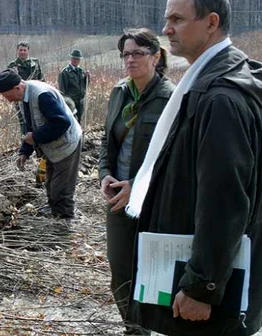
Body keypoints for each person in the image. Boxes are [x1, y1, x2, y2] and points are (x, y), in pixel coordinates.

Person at [124, 0, 262, 335]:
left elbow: (225, 202)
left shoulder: (220, 98)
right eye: (166, 19)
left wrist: (200, 286)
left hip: (209, 303)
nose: (166, 30)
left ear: (211, 22)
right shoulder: (206, 82)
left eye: (177, 19)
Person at [98, 28, 175, 335]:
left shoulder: (170, 98)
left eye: (137, 54)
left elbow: (174, 158)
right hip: (119, 199)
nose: (130, 60)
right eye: (125, 54)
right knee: (121, 271)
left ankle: (158, 326)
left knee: (156, 271)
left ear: (156, 57)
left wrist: (137, 185)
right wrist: (105, 174)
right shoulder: (119, 92)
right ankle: (135, 329)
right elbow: (107, 142)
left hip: (155, 200)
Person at [0, 68, 82, 219]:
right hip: (53, 147)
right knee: (50, 186)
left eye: (8, 96)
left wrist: (36, 136)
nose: (8, 100)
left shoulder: (42, 95)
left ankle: (65, 225)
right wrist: (24, 152)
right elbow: (31, 126)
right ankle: (56, 214)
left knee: (61, 191)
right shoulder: (23, 97)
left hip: (67, 145)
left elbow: (62, 122)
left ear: (17, 87)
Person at [8, 41, 44, 135]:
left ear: (28, 51)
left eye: (24, 50)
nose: (22, 52)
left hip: (35, 96)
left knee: (38, 119)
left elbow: (42, 79)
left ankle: (38, 142)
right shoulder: (13, 66)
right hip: (21, 98)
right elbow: (9, 84)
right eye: (20, 50)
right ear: (17, 51)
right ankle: (26, 143)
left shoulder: (35, 64)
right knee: (24, 122)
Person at [58, 49, 90, 123]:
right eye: (74, 58)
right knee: (71, 121)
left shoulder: (81, 71)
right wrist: (66, 102)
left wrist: (87, 77)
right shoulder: (65, 72)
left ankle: (78, 134)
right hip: (71, 102)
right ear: (71, 58)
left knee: (79, 120)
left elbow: (85, 85)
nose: (76, 60)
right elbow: (62, 91)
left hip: (80, 101)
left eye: (77, 59)